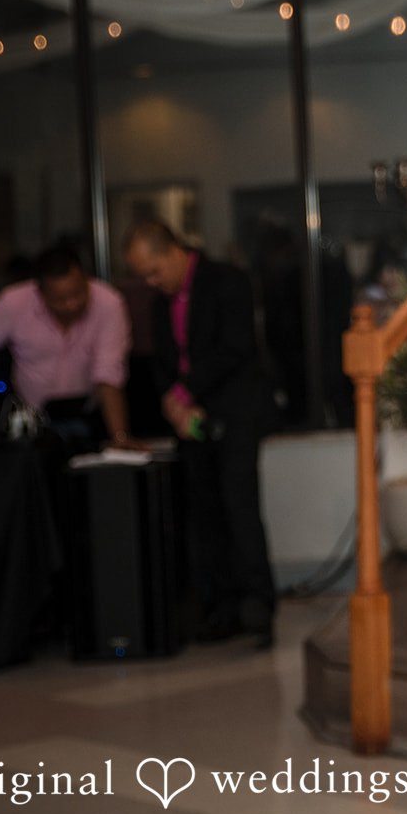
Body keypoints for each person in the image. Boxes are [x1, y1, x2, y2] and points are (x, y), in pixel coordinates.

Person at [122, 221, 278, 650]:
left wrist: (186, 393)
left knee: (239, 508)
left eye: (154, 271)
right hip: (189, 419)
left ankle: (257, 608)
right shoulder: (160, 303)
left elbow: (235, 348)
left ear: (173, 251)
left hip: (234, 414)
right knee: (203, 516)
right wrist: (172, 402)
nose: (151, 282)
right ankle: (219, 610)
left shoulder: (228, 280)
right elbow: (162, 360)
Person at [0, 242, 136, 447]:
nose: (71, 305)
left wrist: (119, 437)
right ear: (40, 292)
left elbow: (109, 372)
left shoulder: (109, 303)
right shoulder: (15, 303)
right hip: (31, 424)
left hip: (92, 416)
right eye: (60, 300)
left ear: (87, 280)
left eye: (78, 294)